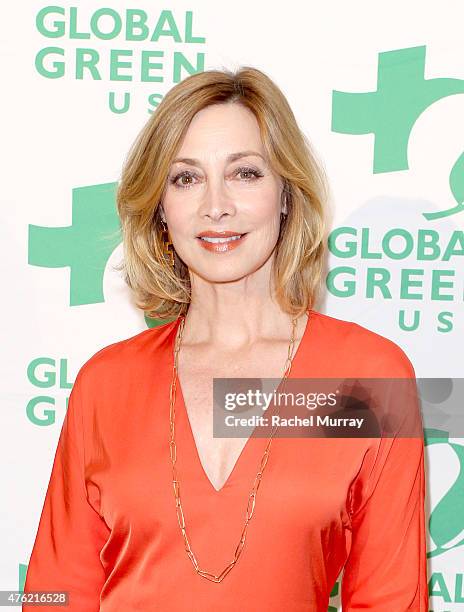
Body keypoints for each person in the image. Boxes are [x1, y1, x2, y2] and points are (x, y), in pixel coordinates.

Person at [23, 66, 428, 611]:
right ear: (161, 208)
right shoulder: (106, 382)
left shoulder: (369, 377)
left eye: (245, 174)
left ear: (286, 194)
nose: (216, 206)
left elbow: (391, 597)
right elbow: (57, 592)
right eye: (185, 178)